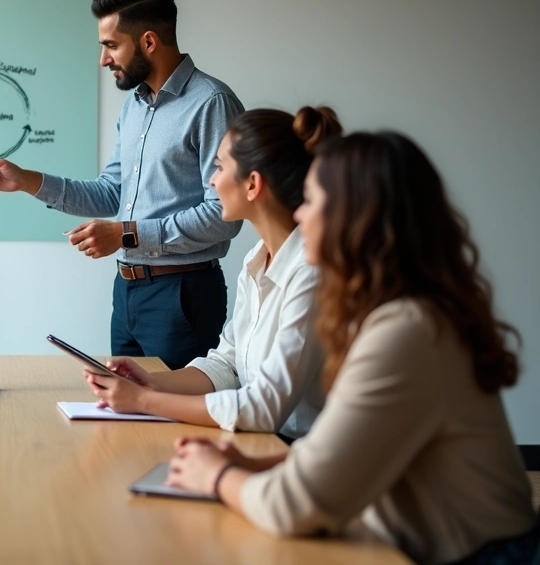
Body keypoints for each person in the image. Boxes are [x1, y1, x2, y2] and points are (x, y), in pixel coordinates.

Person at [166, 132, 538, 564]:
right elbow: (338, 449)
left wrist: (217, 476)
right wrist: (255, 467)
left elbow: (293, 506)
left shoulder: (407, 332)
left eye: (310, 200)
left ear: (354, 216)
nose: (300, 215)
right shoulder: (396, 316)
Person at [0, 0, 243, 369]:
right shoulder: (134, 106)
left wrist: (126, 233)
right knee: (125, 418)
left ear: (148, 42)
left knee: (173, 420)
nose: (103, 59)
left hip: (182, 295)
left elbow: (225, 214)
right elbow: (112, 193)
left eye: (111, 45)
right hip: (126, 291)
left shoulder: (211, 103)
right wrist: (26, 180)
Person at [85, 107, 337, 440]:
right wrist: (149, 381)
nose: (212, 181)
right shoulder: (257, 260)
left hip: (295, 454)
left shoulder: (310, 272)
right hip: (261, 444)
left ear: (252, 184)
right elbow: (227, 365)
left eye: (219, 167)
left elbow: (265, 408)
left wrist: (145, 401)